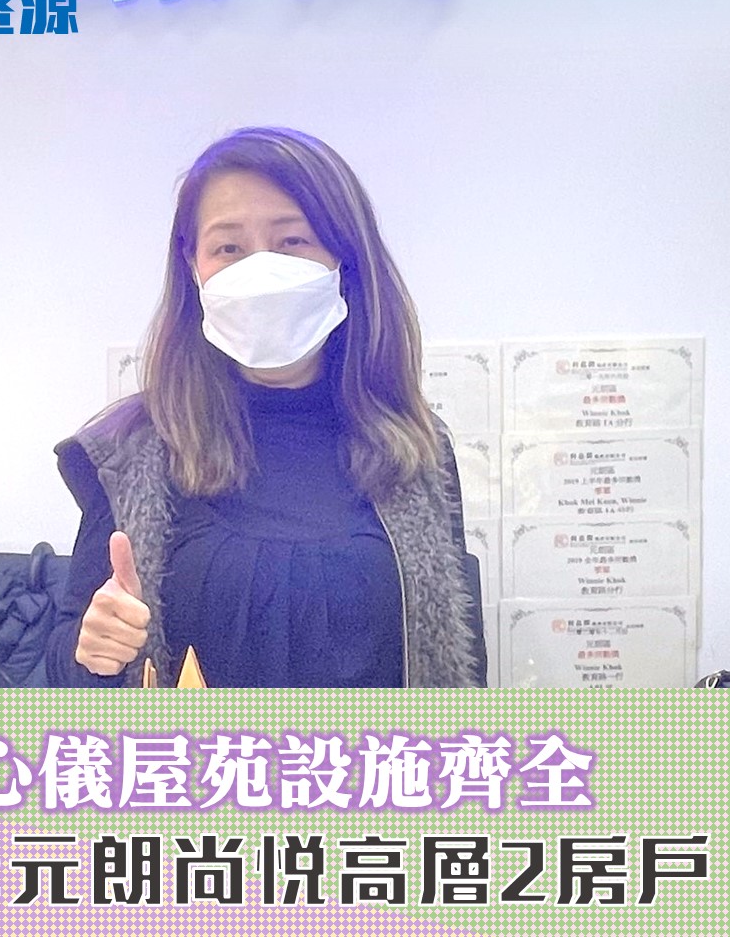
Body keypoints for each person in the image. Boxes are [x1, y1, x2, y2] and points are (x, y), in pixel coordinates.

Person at [46, 126, 486, 688]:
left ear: (345, 260)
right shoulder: (131, 452)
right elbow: (69, 667)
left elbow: (460, 664)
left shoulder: (414, 446)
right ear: (194, 266)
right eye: (228, 248)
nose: (260, 269)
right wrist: (96, 652)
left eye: (292, 241)